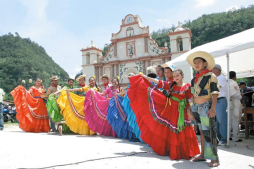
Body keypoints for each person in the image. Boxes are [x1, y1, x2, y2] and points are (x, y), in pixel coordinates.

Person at [128, 69, 200, 160]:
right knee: (173, 131)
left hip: (183, 112)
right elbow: (159, 82)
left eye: (177, 75)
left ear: (182, 75)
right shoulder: (171, 85)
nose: (176, 78)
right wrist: (146, 77)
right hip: (172, 111)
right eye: (174, 76)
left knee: (185, 130)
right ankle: (174, 151)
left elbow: (190, 99)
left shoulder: (188, 86)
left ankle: (186, 151)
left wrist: (189, 111)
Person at [186, 51, 220, 167]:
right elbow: (191, 96)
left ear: (205, 63)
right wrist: (190, 110)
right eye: (195, 63)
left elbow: (215, 93)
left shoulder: (211, 76)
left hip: (206, 107)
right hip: (196, 107)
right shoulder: (194, 79)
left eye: (199, 62)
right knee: (201, 131)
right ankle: (203, 154)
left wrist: (213, 108)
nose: (196, 64)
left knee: (209, 132)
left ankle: (214, 158)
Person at [212, 64, 228, 146]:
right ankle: (219, 138)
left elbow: (217, 88)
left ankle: (224, 139)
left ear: (218, 69)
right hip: (216, 101)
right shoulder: (215, 78)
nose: (212, 70)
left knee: (222, 121)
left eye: (213, 69)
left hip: (220, 100)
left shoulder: (221, 78)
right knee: (217, 122)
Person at [229, 71, 242, 142]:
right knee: (236, 120)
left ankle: (228, 136)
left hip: (229, 103)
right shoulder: (233, 83)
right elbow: (234, 94)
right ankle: (235, 137)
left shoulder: (226, 82)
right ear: (235, 77)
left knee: (229, 121)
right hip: (235, 103)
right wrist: (240, 96)